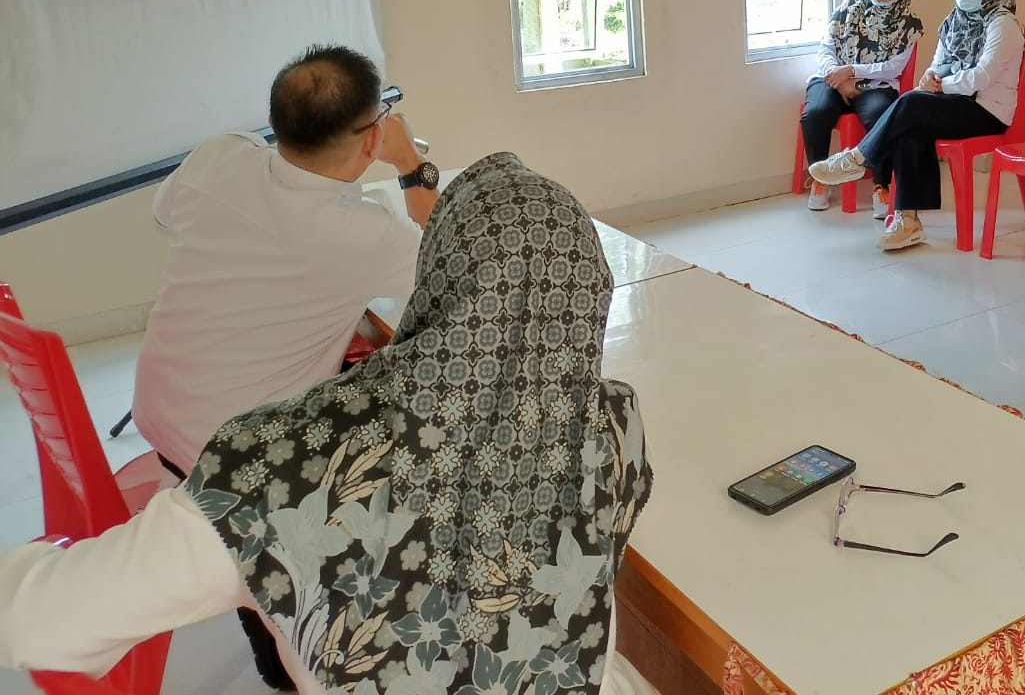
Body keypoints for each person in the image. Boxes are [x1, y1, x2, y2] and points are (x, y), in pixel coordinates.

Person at [0, 155, 655, 695]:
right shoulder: (611, 424)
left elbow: (35, 626)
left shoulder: (280, 470)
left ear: (436, 277)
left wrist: (49, 553)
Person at [131, 45, 437, 688]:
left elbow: (166, 214)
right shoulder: (362, 235)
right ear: (372, 136)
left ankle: (258, 605)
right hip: (237, 455)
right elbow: (451, 253)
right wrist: (410, 163)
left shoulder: (218, 156)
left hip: (160, 413)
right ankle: (297, 635)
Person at [808, 0, 1022, 252]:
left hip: (987, 111)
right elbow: (937, 64)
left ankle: (858, 158)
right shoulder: (955, 21)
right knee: (910, 122)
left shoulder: (1004, 24)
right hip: (954, 102)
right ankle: (907, 220)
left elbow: (981, 77)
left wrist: (939, 85)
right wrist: (930, 79)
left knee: (911, 105)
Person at [800, 0, 922, 217]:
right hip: (833, 79)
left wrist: (853, 71)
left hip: (876, 85)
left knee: (883, 116)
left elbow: (894, 67)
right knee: (815, 113)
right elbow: (825, 47)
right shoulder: (849, 7)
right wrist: (838, 76)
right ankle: (821, 177)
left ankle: (881, 184)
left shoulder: (908, 23)